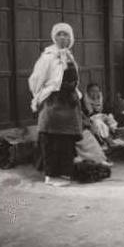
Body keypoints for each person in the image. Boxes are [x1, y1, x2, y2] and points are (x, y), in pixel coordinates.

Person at [28, 23, 83, 187]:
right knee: (51, 138)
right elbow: (36, 79)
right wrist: (41, 95)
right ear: (54, 37)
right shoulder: (48, 56)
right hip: (54, 101)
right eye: (59, 34)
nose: (63, 38)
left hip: (70, 102)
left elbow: (74, 78)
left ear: (71, 38)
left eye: (66, 35)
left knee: (67, 140)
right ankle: (50, 174)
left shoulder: (69, 56)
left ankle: (65, 172)